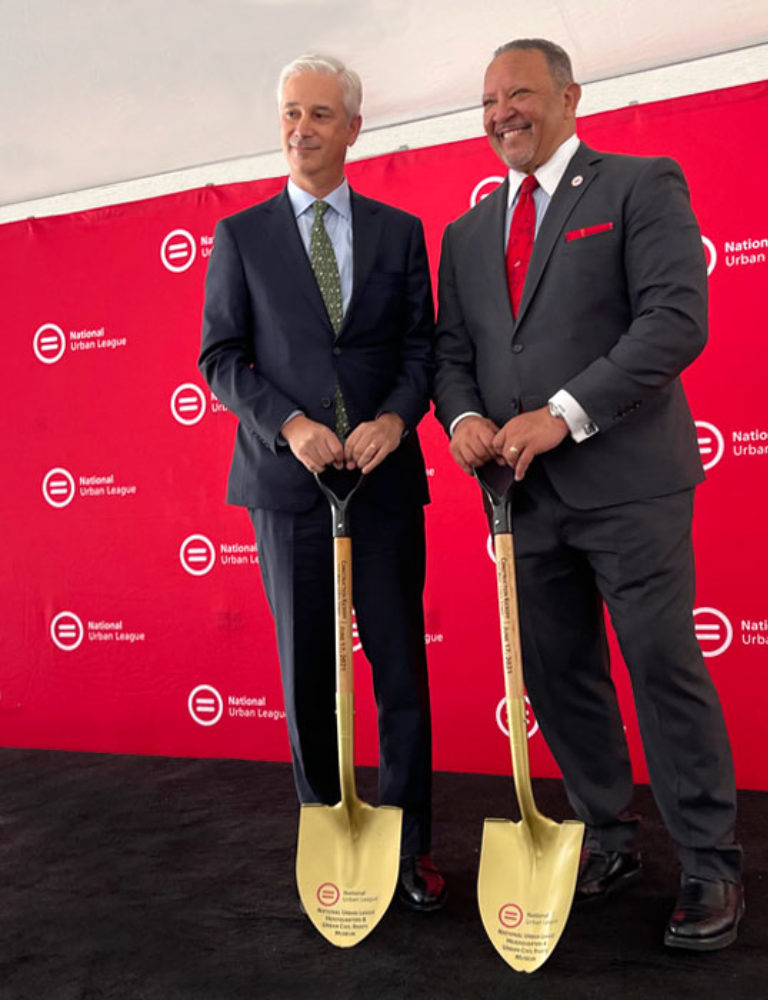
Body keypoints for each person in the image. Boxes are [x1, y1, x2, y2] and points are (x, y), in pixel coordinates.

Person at [433, 38, 742, 949]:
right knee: (562, 679)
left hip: (630, 487)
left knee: (660, 668)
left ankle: (710, 865)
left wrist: (562, 414)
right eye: (488, 101)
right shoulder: (466, 232)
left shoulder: (641, 183)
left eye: (519, 94)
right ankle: (608, 838)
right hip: (518, 497)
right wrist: (461, 424)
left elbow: (676, 321)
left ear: (569, 95)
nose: (501, 115)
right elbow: (456, 356)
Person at [199, 53, 445, 911]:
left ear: (353, 127)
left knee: (400, 670)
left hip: (382, 480)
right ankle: (328, 836)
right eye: (289, 114)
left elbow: (422, 348)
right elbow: (220, 358)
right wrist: (291, 424)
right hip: (286, 484)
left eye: (318, 114)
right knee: (306, 670)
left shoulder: (399, 231)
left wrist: (397, 419)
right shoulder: (241, 237)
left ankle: (409, 847)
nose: (300, 129)